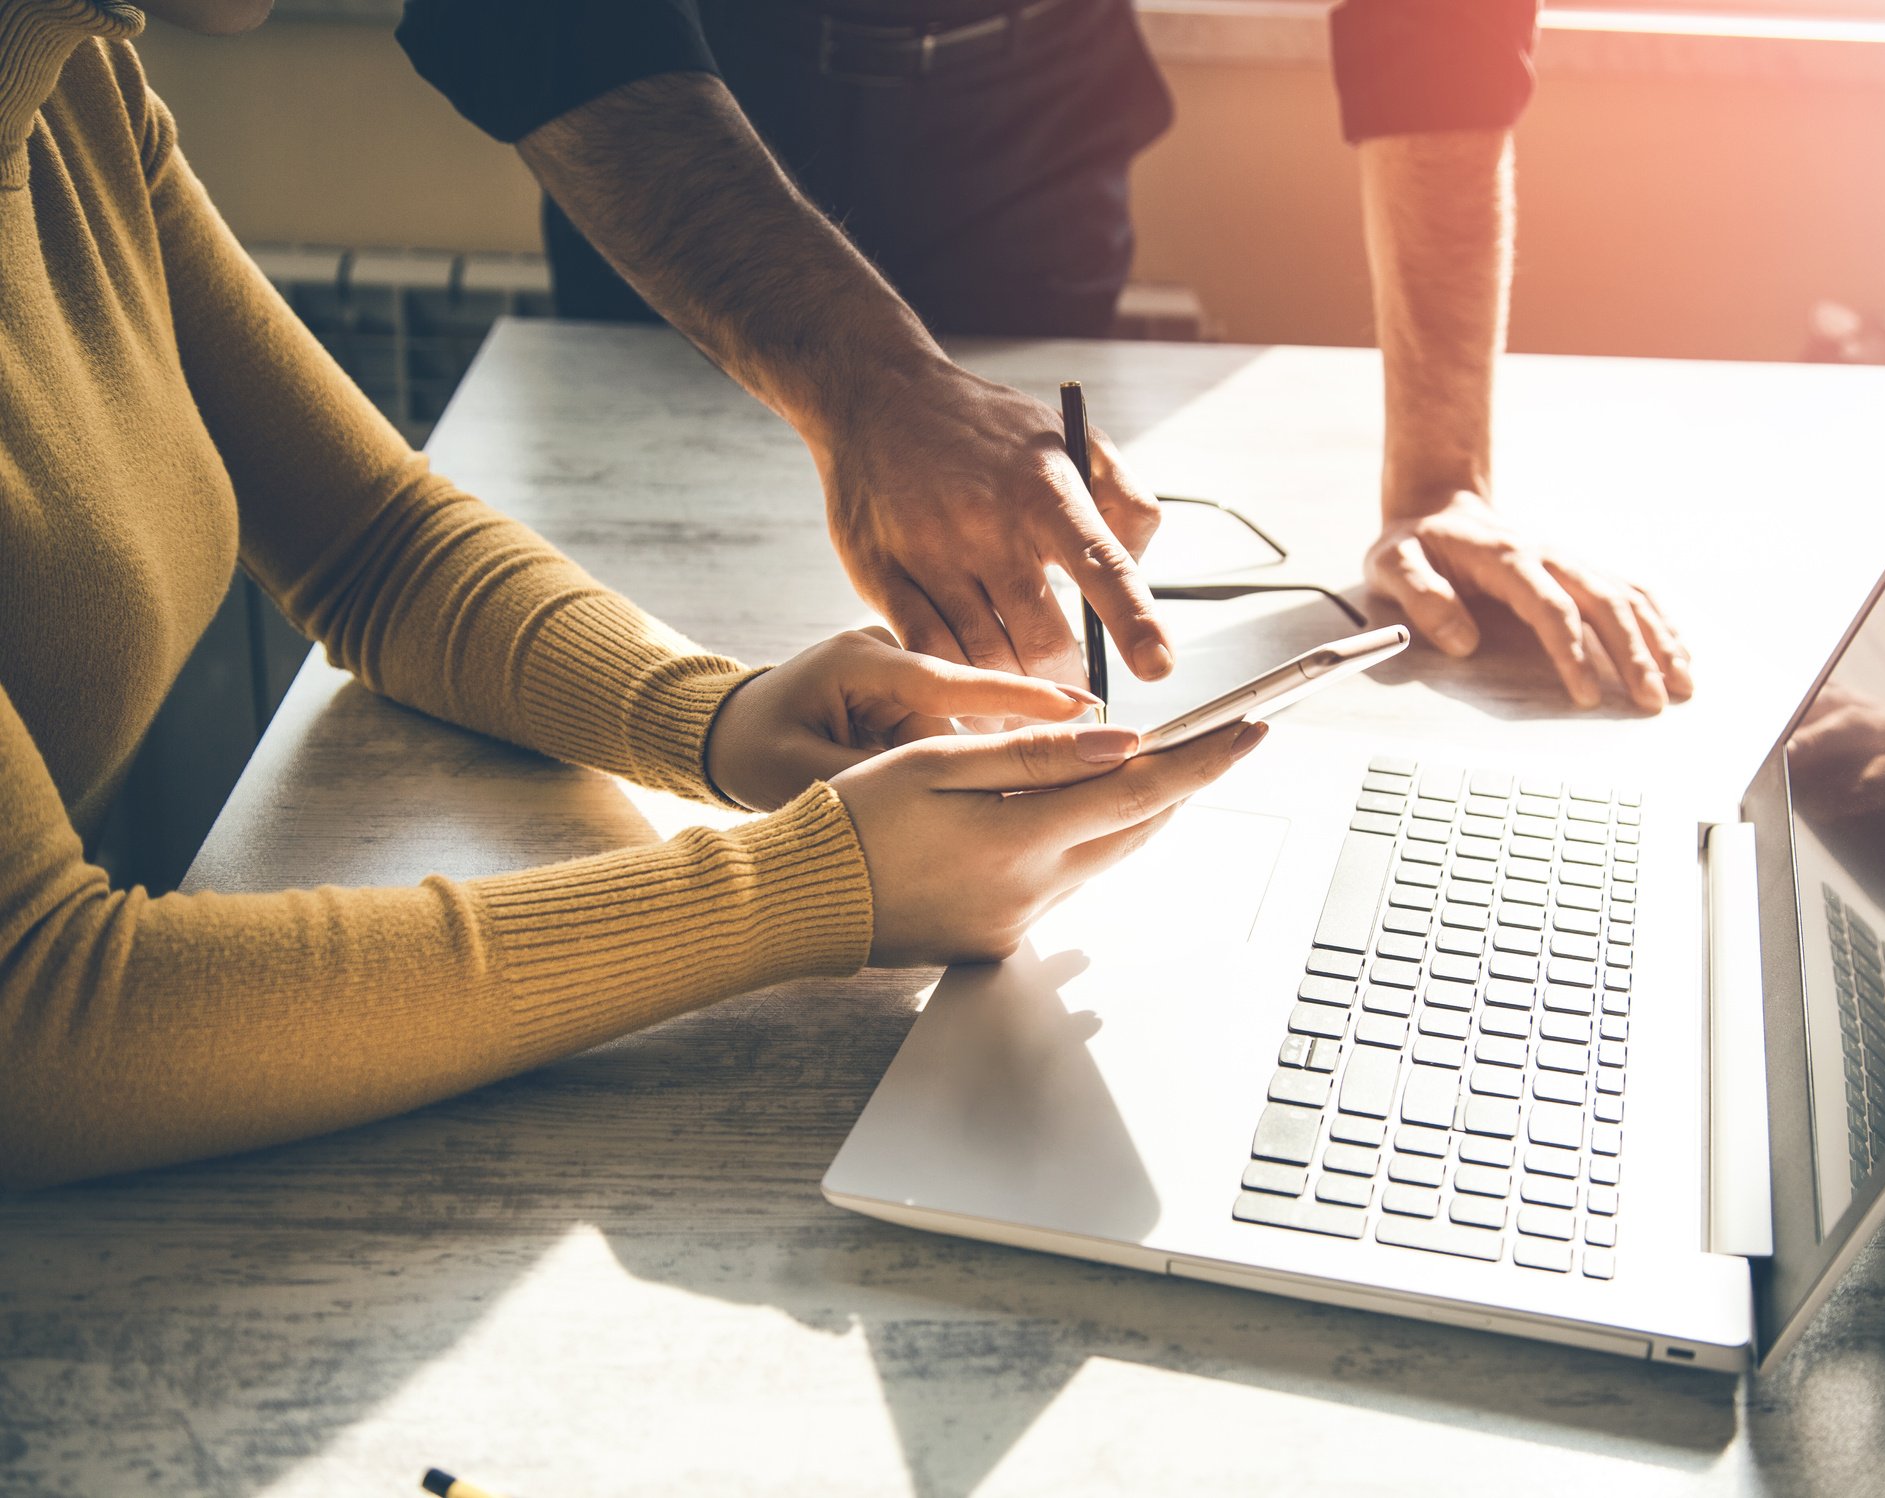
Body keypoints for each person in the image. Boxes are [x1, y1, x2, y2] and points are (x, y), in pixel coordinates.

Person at [0, 0, 1263, 1191]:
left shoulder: (77, 91)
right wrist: (807, 891)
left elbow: (378, 549)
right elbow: (38, 1028)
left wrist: (716, 718)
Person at [394, 0, 1697, 714]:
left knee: (1015, 663)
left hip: (1034, 112)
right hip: (685, 102)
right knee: (644, 651)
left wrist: (1438, 479)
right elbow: (524, 17)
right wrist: (875, 383)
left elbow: (1436, 25)